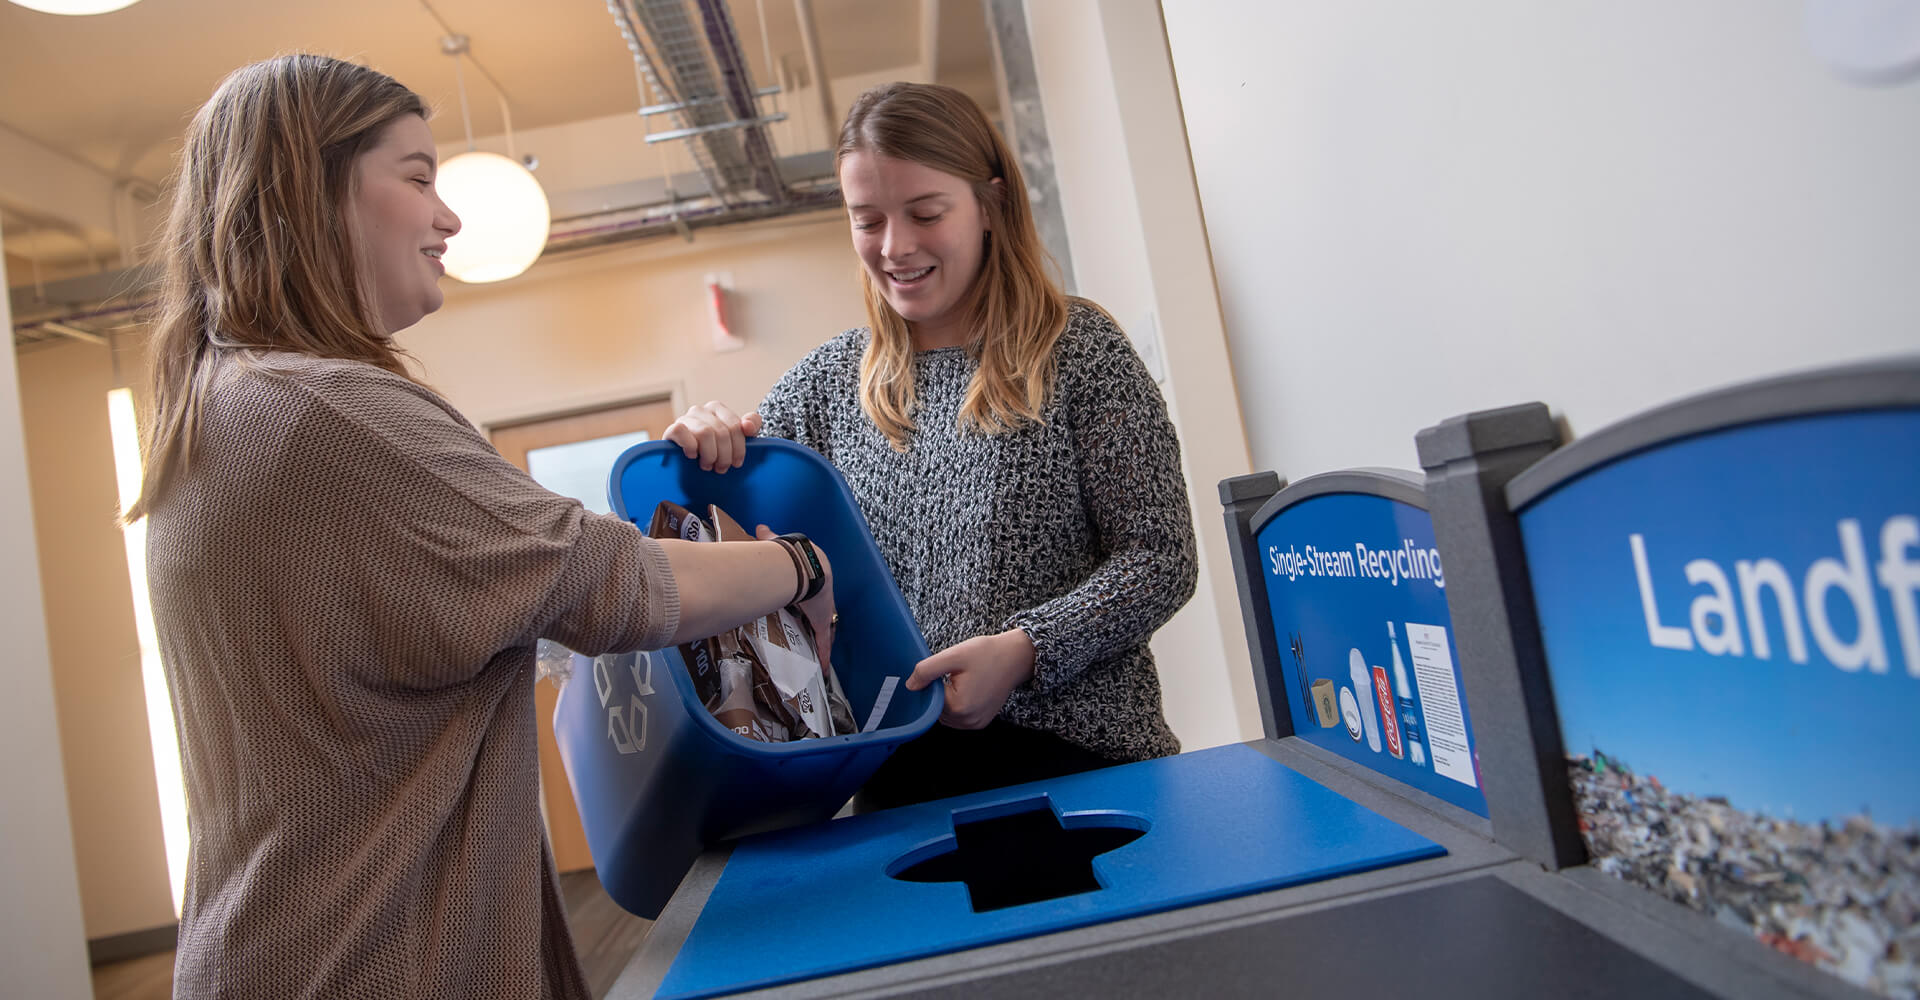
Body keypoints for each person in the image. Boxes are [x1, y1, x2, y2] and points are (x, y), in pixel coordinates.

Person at [127, 54, 835, 999]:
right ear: (309, 191)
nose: (448, 217)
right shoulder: (331, 413)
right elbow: (615, 585)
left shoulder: (221, 407)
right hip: (373, 959)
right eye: (418, 178)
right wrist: (802, 563)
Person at [665, 82, 1197, 810]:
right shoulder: (823, 387)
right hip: (891, 784)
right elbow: (731, 548)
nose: (894, 247)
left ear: (991, 205)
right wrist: (703, 444)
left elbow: (1162, 557)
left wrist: (1026, 650)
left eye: (925, 213)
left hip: (1083, 772)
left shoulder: (1077, 350)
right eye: (868, 220)